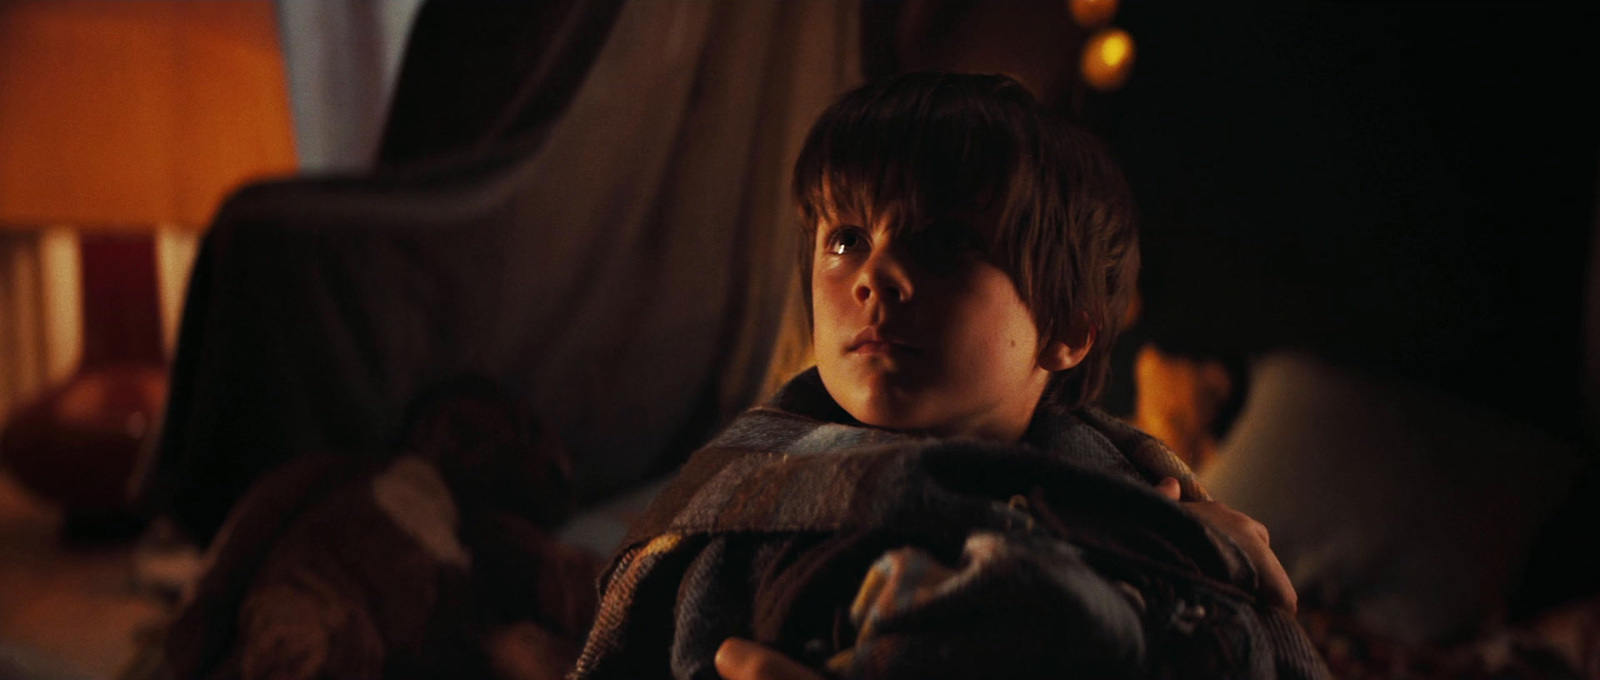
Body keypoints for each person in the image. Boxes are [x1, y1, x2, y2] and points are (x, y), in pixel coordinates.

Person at [572, 72, 1325, 680]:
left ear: (1065, 332)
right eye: (847, 239)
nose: (876, 275)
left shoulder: (1152, 515)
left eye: (947, 241)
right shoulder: (746, 488)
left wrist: (1172, 552)